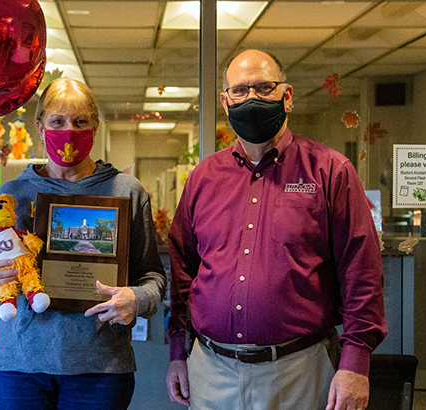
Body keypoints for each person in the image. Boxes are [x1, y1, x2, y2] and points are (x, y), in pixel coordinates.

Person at [166, 49, 387, 410]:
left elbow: (361, 272)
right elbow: (182, 272)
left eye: (263, 88)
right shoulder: (203, 178)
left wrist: (355, 363)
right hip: (211, 370)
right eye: (240, 91)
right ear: (225, 102)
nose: (251, 98)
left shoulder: (330, 171)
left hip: (299, 370)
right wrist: (178, 351)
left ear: (287, 96)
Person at [0, 77, 166, 410]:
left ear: (94, 128)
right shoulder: (10, 194)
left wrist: (137, 299)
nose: (69, 130)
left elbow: (153, 277)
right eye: (57, 121)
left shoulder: (126, 191)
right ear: (40, 128)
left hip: (99, 369)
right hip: (17, 367)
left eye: (80, 121)